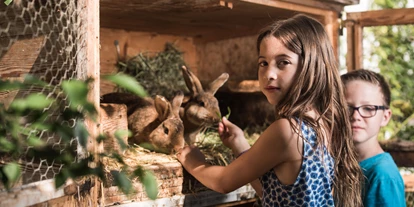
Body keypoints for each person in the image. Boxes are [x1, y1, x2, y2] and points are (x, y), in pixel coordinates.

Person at [176, 14, 363, 207]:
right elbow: (274, 192)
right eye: (263, 63)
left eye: (283, 62)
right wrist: (240, 146)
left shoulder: (287, 130)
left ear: (311, 66)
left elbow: (223, 182)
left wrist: (194, 161)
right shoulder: (324, 122)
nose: (269, 74)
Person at [341, 69, 406, 207]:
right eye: (346, 107)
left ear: (385, 117)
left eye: (368, 108)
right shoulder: (335, 163)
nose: (355, 116)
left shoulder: (383, 175)